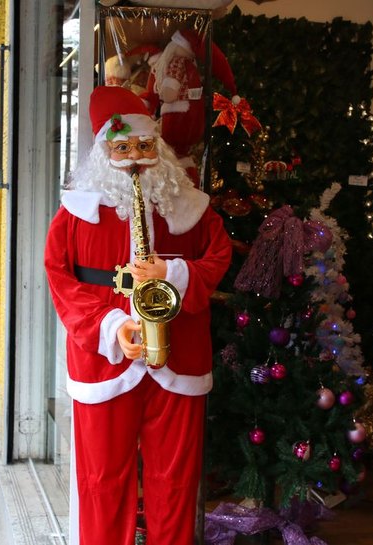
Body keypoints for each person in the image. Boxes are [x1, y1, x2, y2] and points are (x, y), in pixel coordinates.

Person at [44, 86, 232, 545]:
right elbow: (60, 278)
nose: (134, 159)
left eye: (144, 147)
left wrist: (173, 272)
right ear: (103, 151)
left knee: (177, 481)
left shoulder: (190, 206)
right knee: (102, 481)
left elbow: (219, 256)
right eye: (122, 147)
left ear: (159, 149)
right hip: (105, 359)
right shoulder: (74, 213)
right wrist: (110, 325)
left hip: (178, 354)